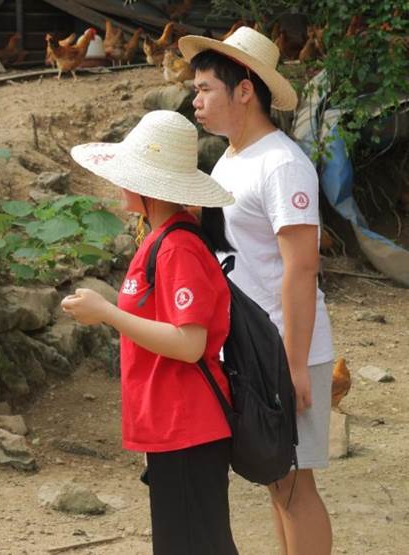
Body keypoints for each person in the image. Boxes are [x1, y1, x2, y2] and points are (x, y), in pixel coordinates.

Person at [178, 26, 335, 555]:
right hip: (252, 347)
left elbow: (302, 269)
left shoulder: (282, 164)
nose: (196, 101)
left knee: (294, 484)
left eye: (205, 89)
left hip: (285, 348)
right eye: (196, 90)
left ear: (244, 89)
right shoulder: (230, 158)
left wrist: (294, 365)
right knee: (276, 478)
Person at [62, 110, 239, 555]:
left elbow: (190, 343)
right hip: (172, 421)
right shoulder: (163, 237)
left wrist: (107, 312)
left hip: (187, 422)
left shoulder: (177, 246)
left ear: (148, 188)